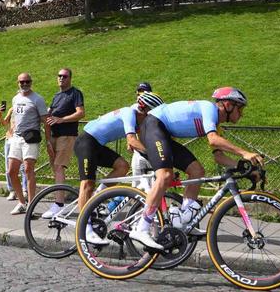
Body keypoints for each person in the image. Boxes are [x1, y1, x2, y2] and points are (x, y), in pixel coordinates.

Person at [129, 87, 263, 251]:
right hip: (152, 126)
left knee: (197, 171)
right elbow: (213, 140)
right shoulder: (209, 108)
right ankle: (141, 228)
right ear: (228, 105)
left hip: (163, 133)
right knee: (164, 176)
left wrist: (244, 168)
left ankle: (184, 220)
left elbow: (218, 156)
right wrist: (244, 153)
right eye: (240, 109)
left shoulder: (216, 124)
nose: (241, 114)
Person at [75, 89, 164, 244]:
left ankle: (97, 196)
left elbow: (140, 144)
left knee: (122, 166)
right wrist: (155, 156)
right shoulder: (129, 113)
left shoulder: (139, 119)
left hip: (97, 144)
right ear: (145, 109)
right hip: (86, 142)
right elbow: (132, 141)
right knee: (87, 183)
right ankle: (84, 228)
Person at [0, 72, 48, 215]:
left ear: (31, 82)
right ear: (18, 83)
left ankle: (31, 205)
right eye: (22, 82)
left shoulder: (37, 99)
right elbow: (11, 120)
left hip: (30, 139)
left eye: (27, 81)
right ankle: (21, 202)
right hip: (16, 138)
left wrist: (50, 141)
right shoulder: (15, 99)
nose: (25, 84)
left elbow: (45, 120)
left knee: (28, 170)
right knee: (11, 171)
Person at [42, 68, 85, 218]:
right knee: (56, 167)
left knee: (59, 166)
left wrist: (61, 119)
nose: (61, 78)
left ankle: (59, 204)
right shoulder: (56, 96)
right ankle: (60, 202)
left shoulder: (75, 93)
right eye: (59, 76)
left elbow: (80, 113)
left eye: (64, 76)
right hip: (54, 135)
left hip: (67, 135)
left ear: (70, 78)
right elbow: (50, 112)